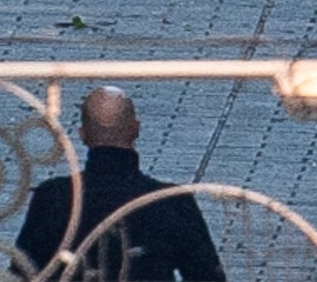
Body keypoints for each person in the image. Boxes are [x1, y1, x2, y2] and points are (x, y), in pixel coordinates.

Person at [15, 88, 224, 282]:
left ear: (83, 135)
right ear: (136, 130)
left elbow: (22, 272)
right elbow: (206, 275)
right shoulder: (170, 201)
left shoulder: (53, 197)